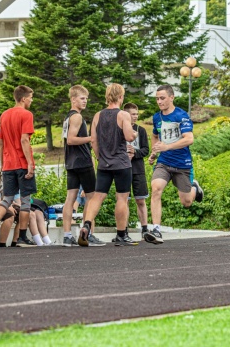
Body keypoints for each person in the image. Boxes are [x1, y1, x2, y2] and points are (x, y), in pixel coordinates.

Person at [78, 83, 138, 247]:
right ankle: (121, 235)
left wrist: (100, 157)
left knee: (97, 196)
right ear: (121, 97)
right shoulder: (123, 115)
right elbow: (129, 137)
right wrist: (134, 133)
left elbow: (94, 140)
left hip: (104, 163)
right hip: (121, 163)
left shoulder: (98, 115)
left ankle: (87, 225)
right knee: (122, 198)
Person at [146, 85, 203, 245]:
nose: (159, 101)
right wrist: (154, 152)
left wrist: (167, 147)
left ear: (171, 97)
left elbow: (189, 139)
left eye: (162, 98)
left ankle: (194, 188)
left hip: (182, 164)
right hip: (164, 162)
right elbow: (155, 136)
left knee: (186, 202)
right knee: (156, 188)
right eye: (157, 99)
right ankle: (156, 229)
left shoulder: (181, 115)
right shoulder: (157, 117)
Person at [0, 85, 37, 248]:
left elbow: (0, 142)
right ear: (23, 99)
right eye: (30, 98)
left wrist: (3, 162)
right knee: (25, 201)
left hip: (7, 164)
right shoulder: (26, 114)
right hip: (21, 163)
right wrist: (29, 163)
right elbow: (24, 140)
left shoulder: (5, 115)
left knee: (7, 198)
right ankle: (22, 237)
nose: (31, 101)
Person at [61, 85, 100, 247]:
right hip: (82, 162)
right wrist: (91, 138)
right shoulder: (76, 117)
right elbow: (71, 140)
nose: (85, 101)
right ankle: (88, 234)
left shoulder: (68, 117)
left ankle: (67, 235)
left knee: (70, 198)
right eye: (82, 98)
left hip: (71, 162)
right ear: (73, 99)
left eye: (86, 99)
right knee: (92, 198)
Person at [123, 102, 150, 240]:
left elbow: (146, 150)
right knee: (124, 201)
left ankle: (145, 229)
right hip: (123, 169)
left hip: (138, 169)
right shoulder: (119, 129)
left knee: (140, 200)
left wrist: (135, 153)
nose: (136, 116)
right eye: (133, 114)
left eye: (137, 114)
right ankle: (123, 230)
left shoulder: (141, 130)